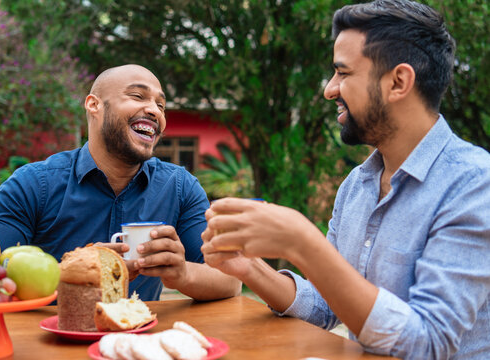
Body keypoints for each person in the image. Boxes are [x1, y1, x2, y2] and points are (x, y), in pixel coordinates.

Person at [201, 1, 490, 359]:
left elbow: (428, 344)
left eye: (343, 73)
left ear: (398, 82)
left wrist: (303, 242)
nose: (329, 89)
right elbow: (327, 306)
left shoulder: (475, 185)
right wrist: (251, 269)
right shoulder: (357, 185)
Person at [0, 64, 241, 301]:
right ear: (94, 105)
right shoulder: (31, 185)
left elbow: (231, 280)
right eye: (138, 97)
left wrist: (183, 273)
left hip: (139, 343)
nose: (154, 111)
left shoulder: (180, 187)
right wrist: (76, 270)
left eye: (161, 105)